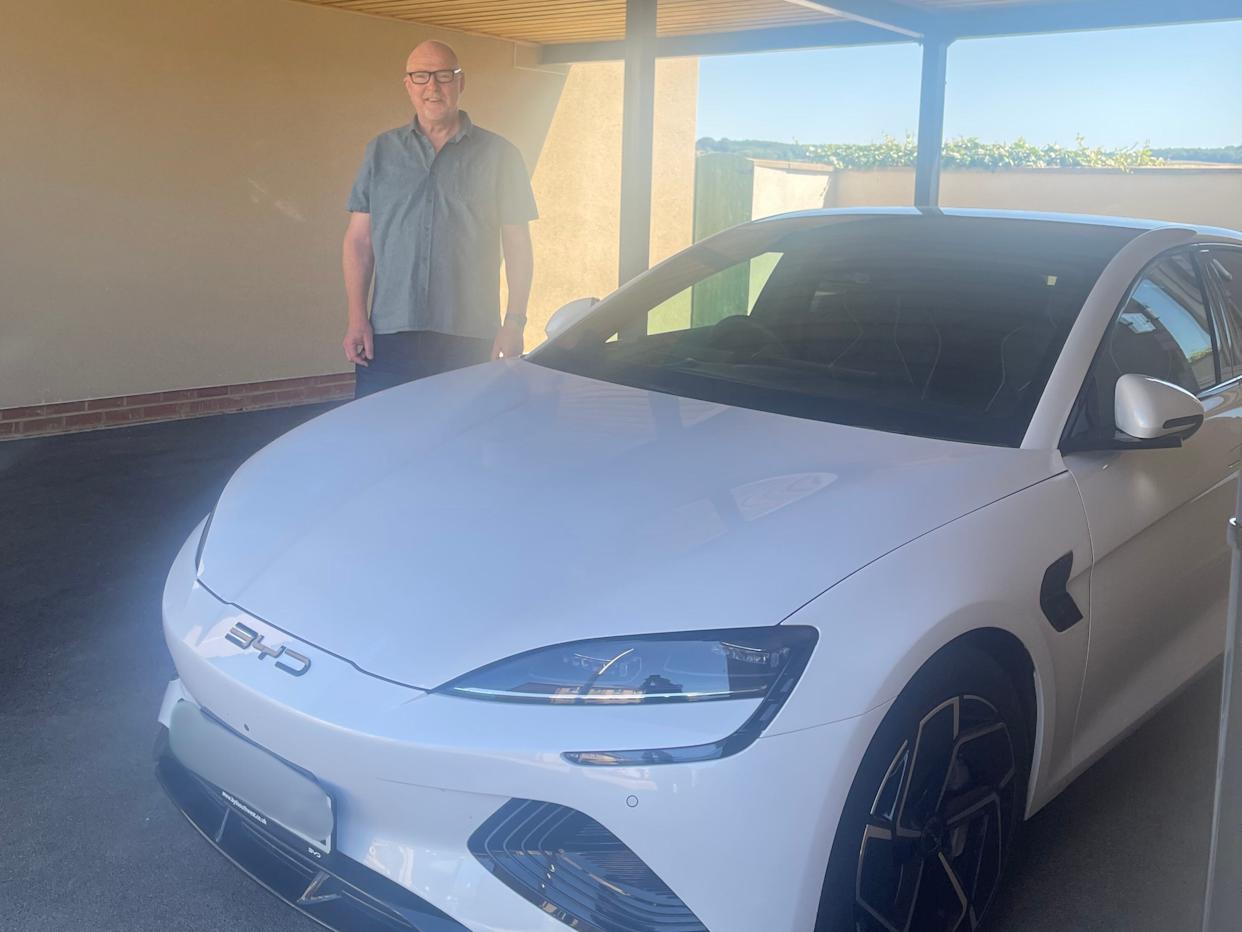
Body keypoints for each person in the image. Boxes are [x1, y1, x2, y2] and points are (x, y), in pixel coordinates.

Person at [342, 40, 536, 397]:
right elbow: (359, 242)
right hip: (388, 338)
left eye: (444, 75)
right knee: (381, 442)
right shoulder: (380, 153)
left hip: (470, 337)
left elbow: (518, 246)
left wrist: (514, 322)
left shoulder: (501, 156)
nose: (432, 86)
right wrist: (357, 318)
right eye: (421, 76)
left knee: (464, 443)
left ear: (460, 83)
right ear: (408, 85)